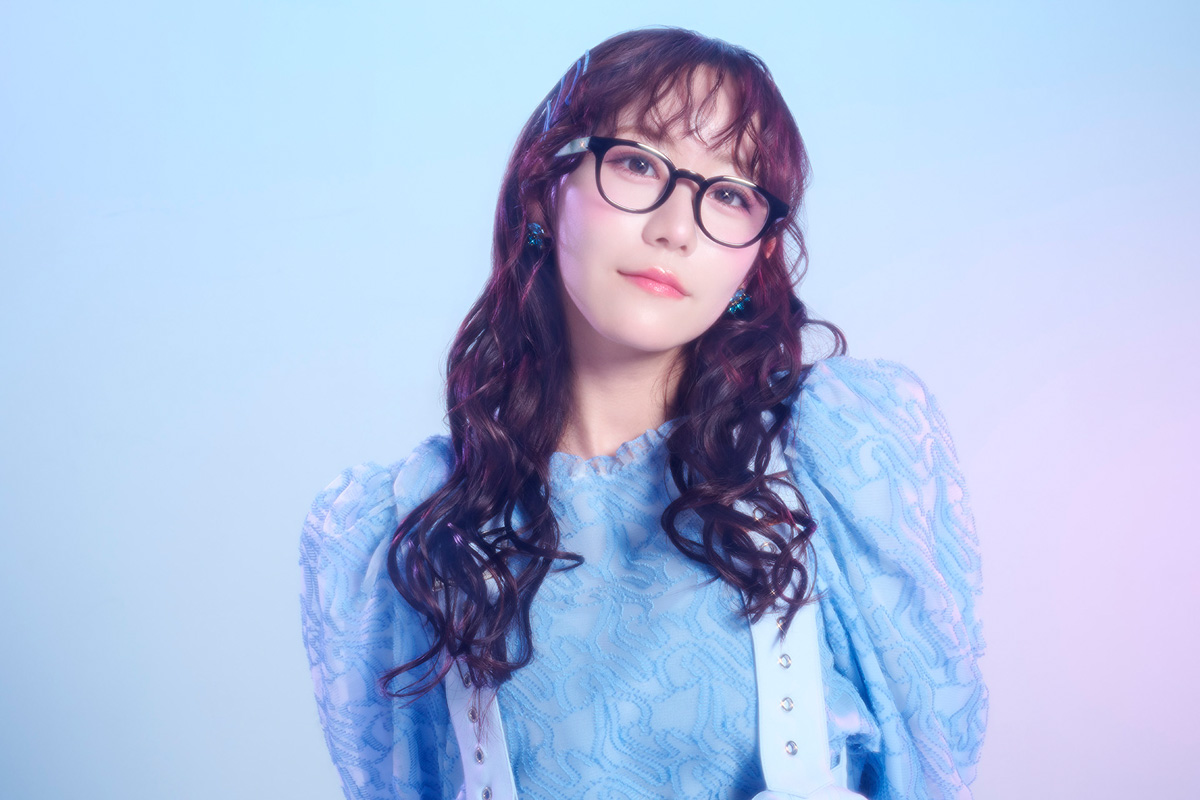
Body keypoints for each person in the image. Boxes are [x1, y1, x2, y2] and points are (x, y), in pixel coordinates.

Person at [300, 27, 986, 800]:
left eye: (730, 195)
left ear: (756, 255)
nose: (676, 229)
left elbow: (930, 774)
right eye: (638, 163)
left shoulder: (842, 459)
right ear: (545, 190)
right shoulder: (416, 528)